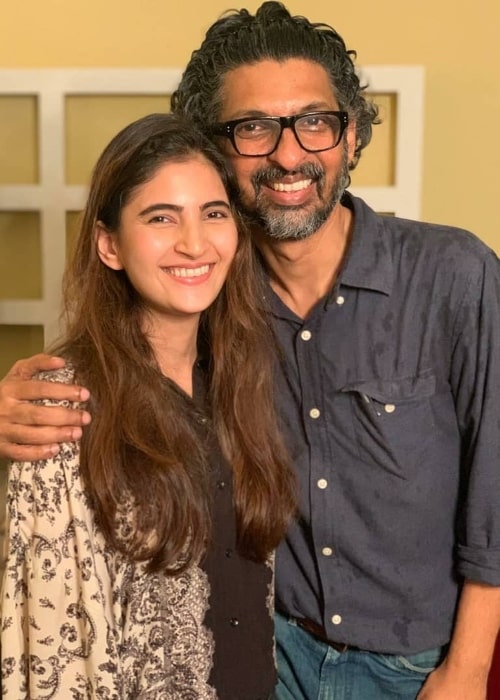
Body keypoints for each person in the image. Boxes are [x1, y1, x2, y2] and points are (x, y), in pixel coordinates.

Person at [1, 2, 500, 698]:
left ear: (350, 135)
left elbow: (495, 487)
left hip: (413, 670)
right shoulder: (207, 296)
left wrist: (469, 670)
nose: (290, 154)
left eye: (315, 122)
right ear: (217, 150)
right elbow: (118, 363)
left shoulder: (455, 275)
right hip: (267, 658)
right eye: (254, 129)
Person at [0, 112, 297, 699]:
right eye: (161, 218)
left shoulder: (241, 381)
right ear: (109, 245)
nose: (194, 242)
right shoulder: (62, 404)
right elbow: (51, 650)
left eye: (213, 214)